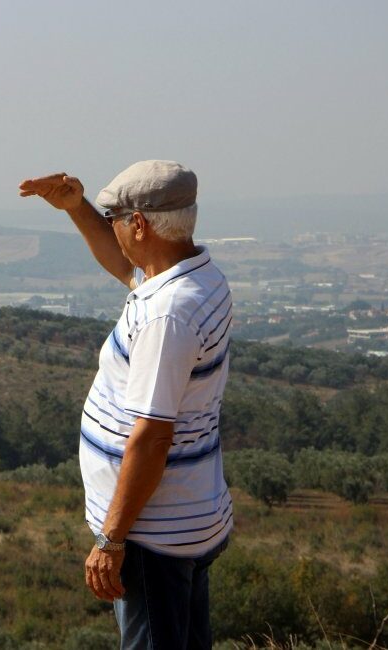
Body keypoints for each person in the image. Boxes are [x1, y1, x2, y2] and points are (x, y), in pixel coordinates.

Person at [19, 161, 233, 649]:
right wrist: (77, 209)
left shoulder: (168, 316)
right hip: (184, 517)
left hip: (151, 536)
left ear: (139, 225)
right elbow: (126, 266)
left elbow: (152, 437)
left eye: (115, 216)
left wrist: (111, 541)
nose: (111, 225)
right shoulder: (195, 277)